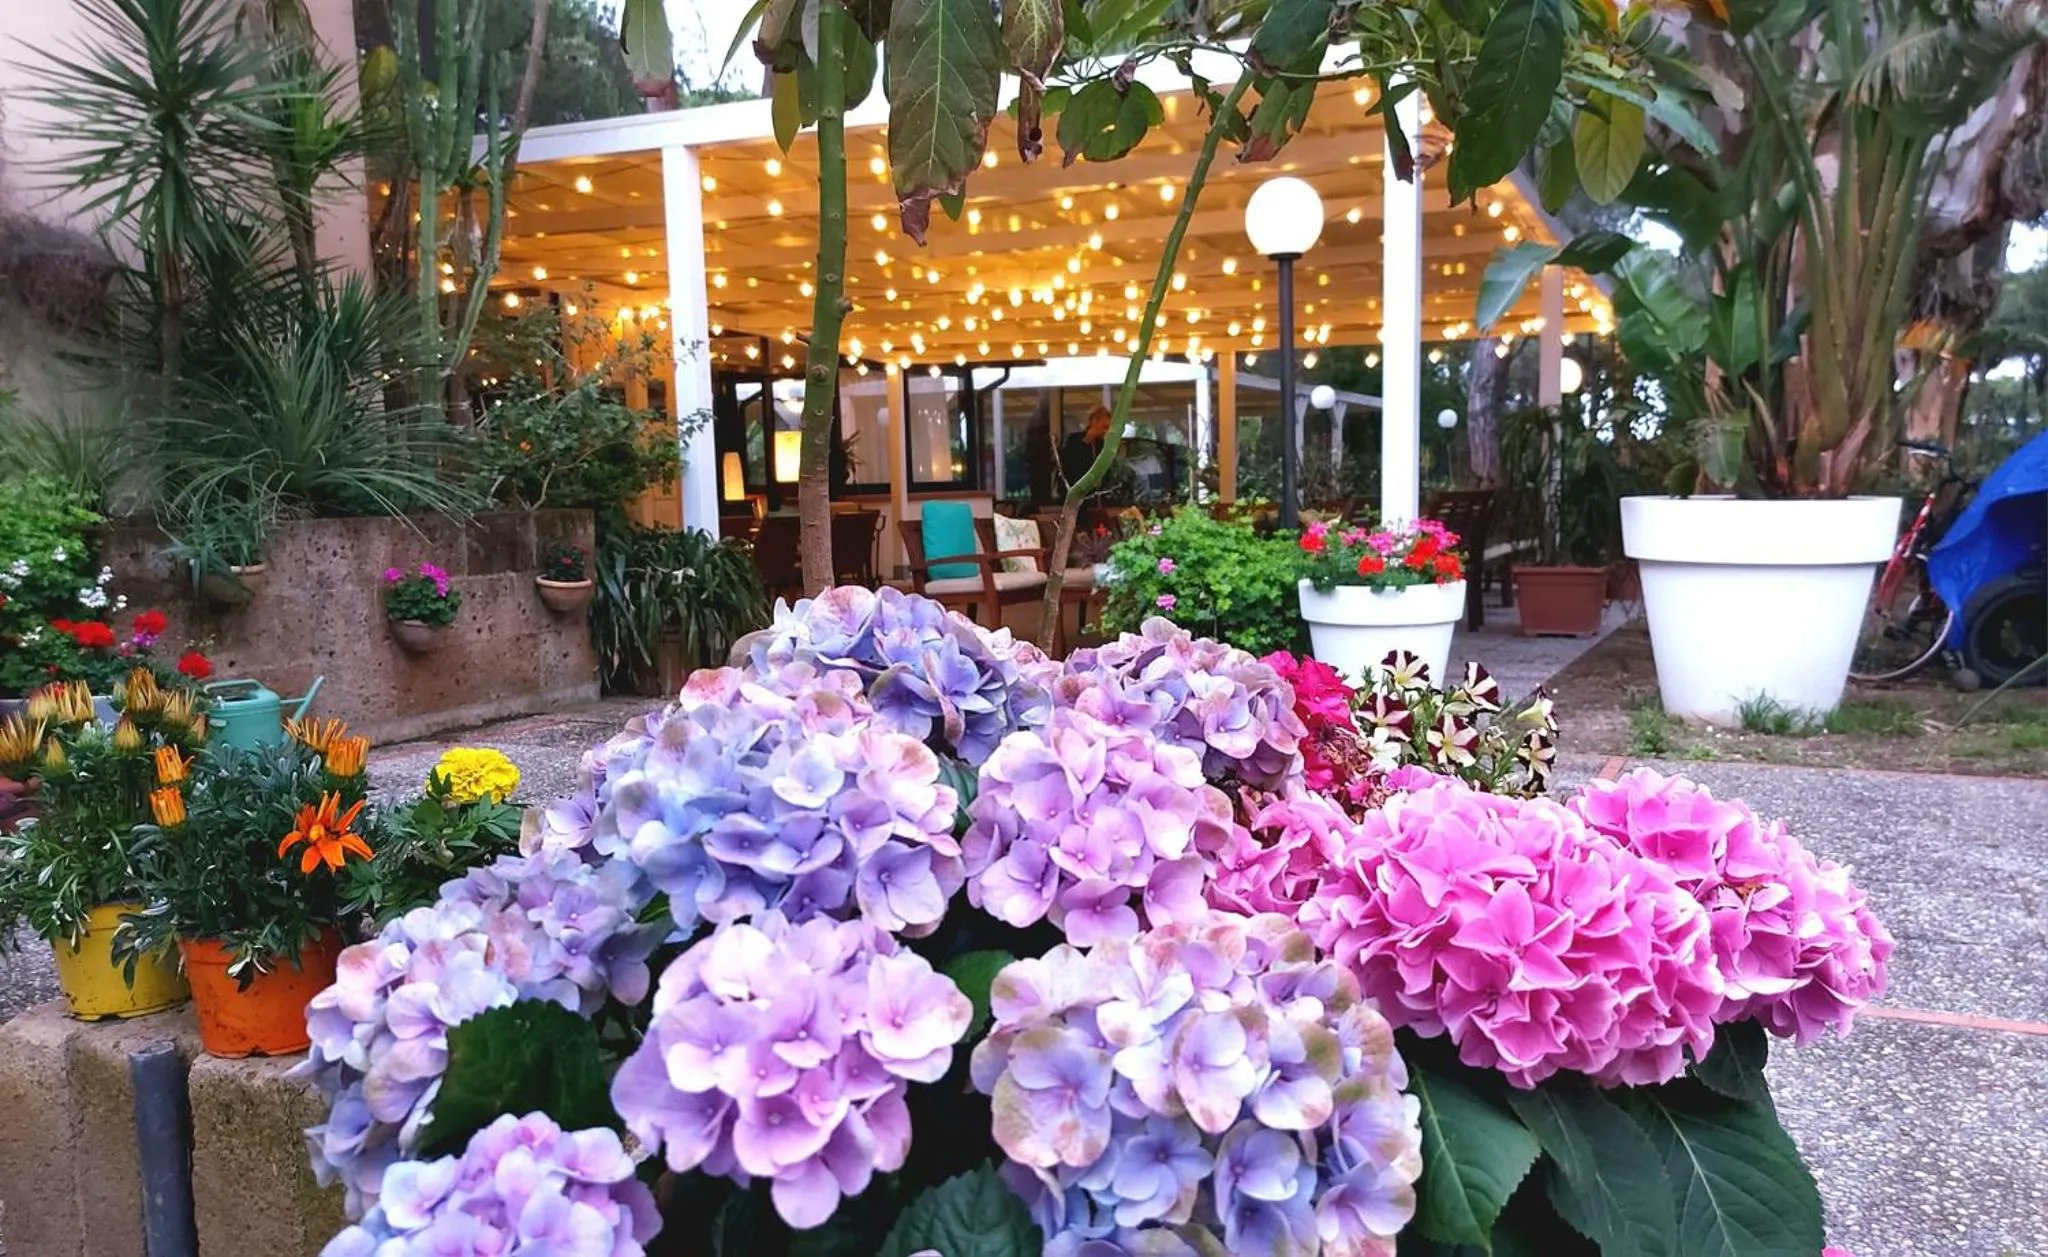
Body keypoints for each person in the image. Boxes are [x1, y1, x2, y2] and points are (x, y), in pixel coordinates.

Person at [1059, 406, 1113, 492]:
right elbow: (1069, 464)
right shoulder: (1074, 440)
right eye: (1104, 427)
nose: (1105, 431)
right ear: (1094, 421)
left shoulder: (1101, 444)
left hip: (1095, 493)